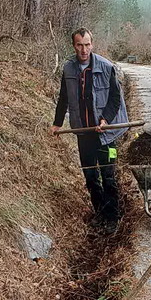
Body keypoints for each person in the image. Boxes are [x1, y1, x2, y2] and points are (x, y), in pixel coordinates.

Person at [50, 28, 129, 235]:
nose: (83, 50)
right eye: (79, 45)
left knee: (108, 175)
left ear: (92, 44)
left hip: (106, 135)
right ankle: (100, 214)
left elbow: (115, 99)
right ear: (74, 46)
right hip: (83, 133)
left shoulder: (106, 67)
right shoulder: (69, 69)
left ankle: (113, 217)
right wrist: (57, 123)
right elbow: (64, 97)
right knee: (91, 177)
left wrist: (105, 120)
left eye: (87, 45)